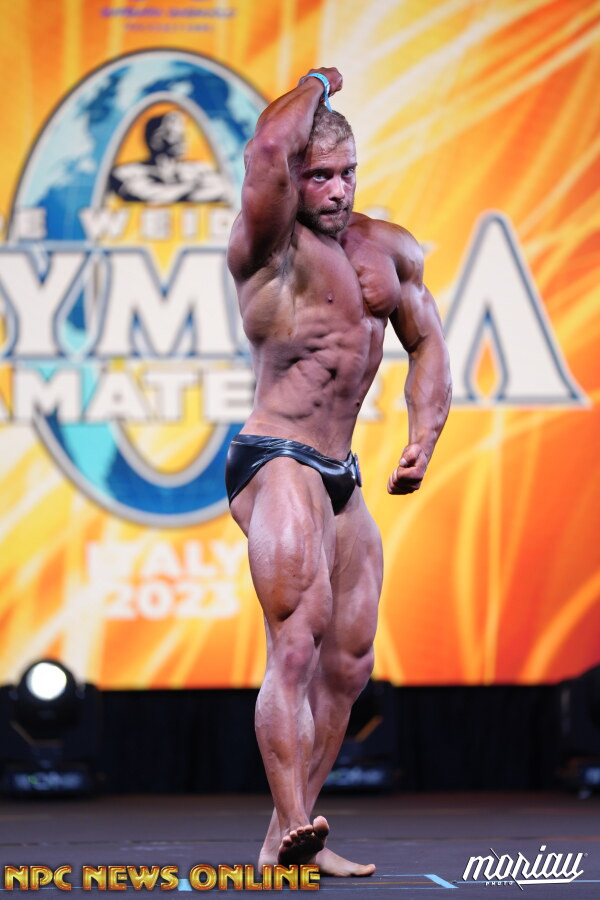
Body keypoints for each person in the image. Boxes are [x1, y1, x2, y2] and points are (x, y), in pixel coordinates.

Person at [225, 67, 451, 877]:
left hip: (341, 471)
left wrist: (425, 431)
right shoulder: (267, 245)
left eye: (347, 172)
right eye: (319, 175)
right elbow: (267, 149)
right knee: (296, 643)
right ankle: (293, 820)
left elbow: (427, 343)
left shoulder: (388, 250)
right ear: (296, 178)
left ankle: (288, 836)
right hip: (276, 457)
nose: (337, 189)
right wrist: (316, 82)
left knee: (350, 665)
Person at [109, 110, 228, 204]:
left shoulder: (199, 169)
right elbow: (150, 196)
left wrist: (176, 192)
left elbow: (222, 188)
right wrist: (192, 187)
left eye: (183, 134)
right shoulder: (125, 173)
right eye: (174, 134)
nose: (183, 141)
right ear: (156, 140)